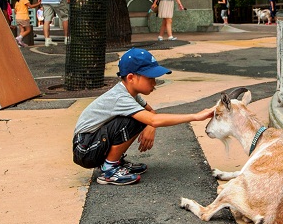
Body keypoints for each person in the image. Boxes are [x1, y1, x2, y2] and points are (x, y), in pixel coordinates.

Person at [72, 47, 214, 185]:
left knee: (139, 117)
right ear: (131, 77)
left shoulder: (131, 93)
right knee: (133, 119)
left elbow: (152, 113)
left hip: (92, 144)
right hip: (85, 149)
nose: (154, 83)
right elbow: (153, 119)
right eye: (150, 78)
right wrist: (195, 116)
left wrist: (150, 126)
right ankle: (110, 169)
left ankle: (114, 162)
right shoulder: (120, 97)